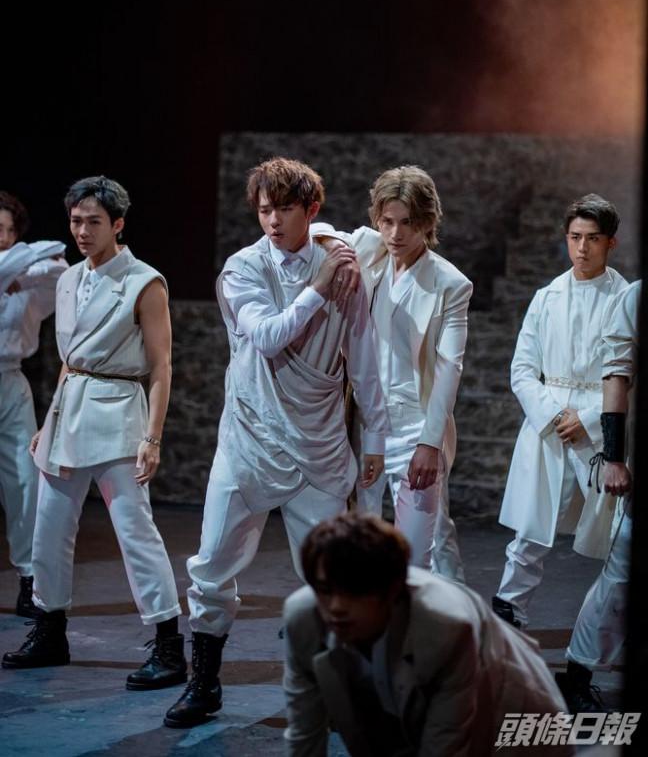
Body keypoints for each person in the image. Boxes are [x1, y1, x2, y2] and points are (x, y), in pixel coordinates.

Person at [164, 158, 390, 729]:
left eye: (285, 209)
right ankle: (203, 682)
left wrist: (376, 439)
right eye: (264, 209)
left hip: (319, 442)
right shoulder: (244, 267)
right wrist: (318, 286)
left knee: (331, 574)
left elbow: (364, 356)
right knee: (212, 564)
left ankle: (338, 688)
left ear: (310, 210)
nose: (272, 220)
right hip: (250, 436)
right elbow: (266, 337)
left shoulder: (343, 267)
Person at [2, 176, 185, 693]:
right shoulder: (67, 279)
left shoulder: (144, 281)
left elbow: (162, 365)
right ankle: (49, 630)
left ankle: (169, 645)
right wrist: (49, 421)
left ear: (118, 224)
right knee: (48, 529)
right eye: (76, 221)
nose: (82, 231)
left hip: (118, 412)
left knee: (135, 531)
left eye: (94, 222)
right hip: (69, 411)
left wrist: (153, 437)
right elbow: (70, 359)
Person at [283, 512, 571, 757]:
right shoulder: (304, 617)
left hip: (516, 727)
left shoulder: (445, 626)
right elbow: (303, 735)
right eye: (325, 589)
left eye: (354, 592)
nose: (336, 607)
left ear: (391, 590)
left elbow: (445, 746)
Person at [312, 164, 471, 580]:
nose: (396, 234)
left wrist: (430, 443)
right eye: (387, 221)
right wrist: (339, 248)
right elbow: (316, 232)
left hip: (416, 422)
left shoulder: (450, 284)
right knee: (361, 529)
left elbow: (449, 368)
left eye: (408, 223)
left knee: (423, 542)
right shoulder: (371, 251)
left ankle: (449, 611)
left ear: (427, 222)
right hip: (366, 421)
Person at [493, 194, 628, 628]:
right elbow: (522, 370)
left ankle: (602, 631)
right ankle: (508, 616)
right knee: (532, 530)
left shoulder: (625, 299)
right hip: (549, 425)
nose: (582, 248)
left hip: (601, 427)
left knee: (616, 532)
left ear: (611, 242)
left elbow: (629, 374)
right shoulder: (546, 297)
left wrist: (587, 419)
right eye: (575, 237)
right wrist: (554, 416)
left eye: (593, 238)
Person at [555, 280, 639, 712]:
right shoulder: (636, 296)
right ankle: (578, 673)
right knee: (622, 570)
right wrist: (615, 457)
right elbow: (616, 376)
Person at [0, 192, 67, 617]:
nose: (4, 237)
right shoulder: (13, 263)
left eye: (10, 231)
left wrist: (21, 278)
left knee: (26, 481)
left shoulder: (23, 279)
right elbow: (44, 251)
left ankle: (28, 579)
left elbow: (59, 262)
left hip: (10, 380)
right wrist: (22, 261)